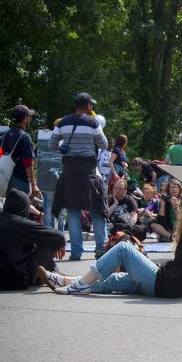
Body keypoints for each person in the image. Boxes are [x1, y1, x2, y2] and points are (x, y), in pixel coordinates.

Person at [39, 194, 182, 304]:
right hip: (167, 287)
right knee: (114, 280)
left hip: (162, 282)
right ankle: (62, 280)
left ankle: (78, 286)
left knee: (124, 248)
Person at [49, 92, 108, 260]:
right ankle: (100, 250)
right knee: (97, 210)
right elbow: (103, 144)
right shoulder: (93, 122)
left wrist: (64, 147)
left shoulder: (63, 122)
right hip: (88, 171)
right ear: (88, 106)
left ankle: (75, 252)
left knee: (73, 211)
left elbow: (52, 144)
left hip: (69, 171)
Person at [0, 189, 65, 290]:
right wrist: (61, 244)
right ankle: (51, 273)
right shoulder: (20, 224)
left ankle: (51, 272)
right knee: (47, 241)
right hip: (19, 279)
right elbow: (58, 237)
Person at [0, 104, 40, 197]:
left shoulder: (5, 135)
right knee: (20, 209)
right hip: (20, 181)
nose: (30, 118)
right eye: (29, 116)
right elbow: (28, 163)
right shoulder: (25, 137)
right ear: (25, 119)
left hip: (5, 179)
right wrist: (34, 185)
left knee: (9, 207)